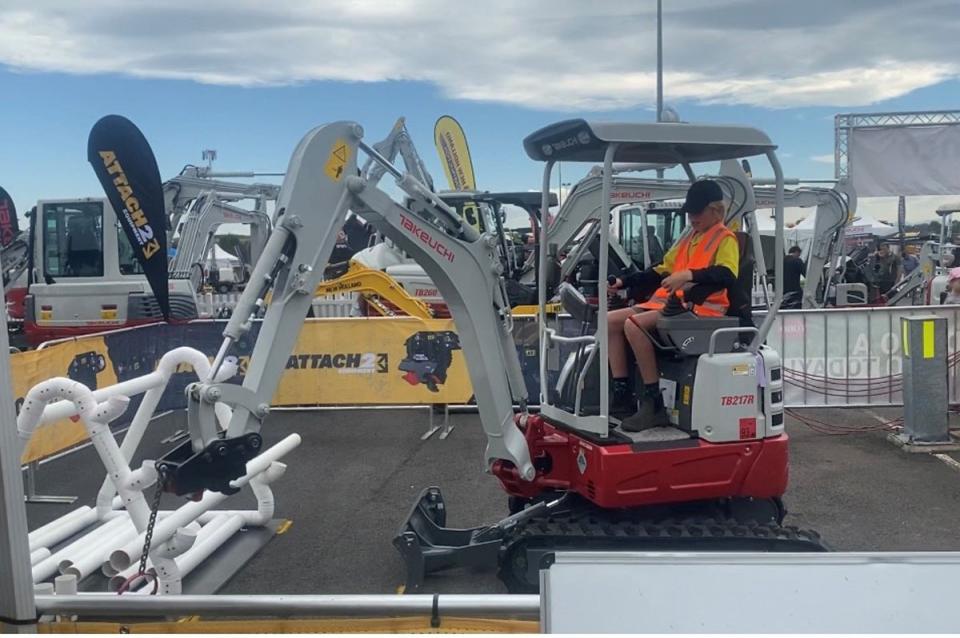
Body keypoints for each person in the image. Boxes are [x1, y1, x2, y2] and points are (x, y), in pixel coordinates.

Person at [607, 180, 739, 431]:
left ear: (716, 210)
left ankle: (653, 403)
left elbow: (727, 275)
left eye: (697, 212)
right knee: (609, 321)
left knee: (634, 325)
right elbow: (660, 270)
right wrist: (624, 281)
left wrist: (689, 275)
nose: (691, 217)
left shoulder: (725, 238)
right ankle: (621, 392)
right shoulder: (689, 238)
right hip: (673, 306)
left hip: (703, 311)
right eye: (689, 212)